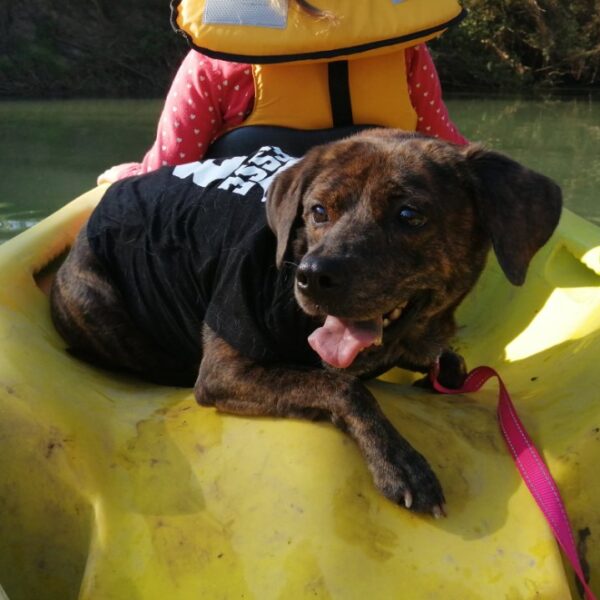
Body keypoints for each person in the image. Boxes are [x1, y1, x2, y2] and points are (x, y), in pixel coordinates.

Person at [98, 6, 467, 184]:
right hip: (373, 251)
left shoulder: (215, 59)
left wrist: (124, 175)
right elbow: (448, 148)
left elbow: (168, 172)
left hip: (248, 253)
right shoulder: (405, 50)